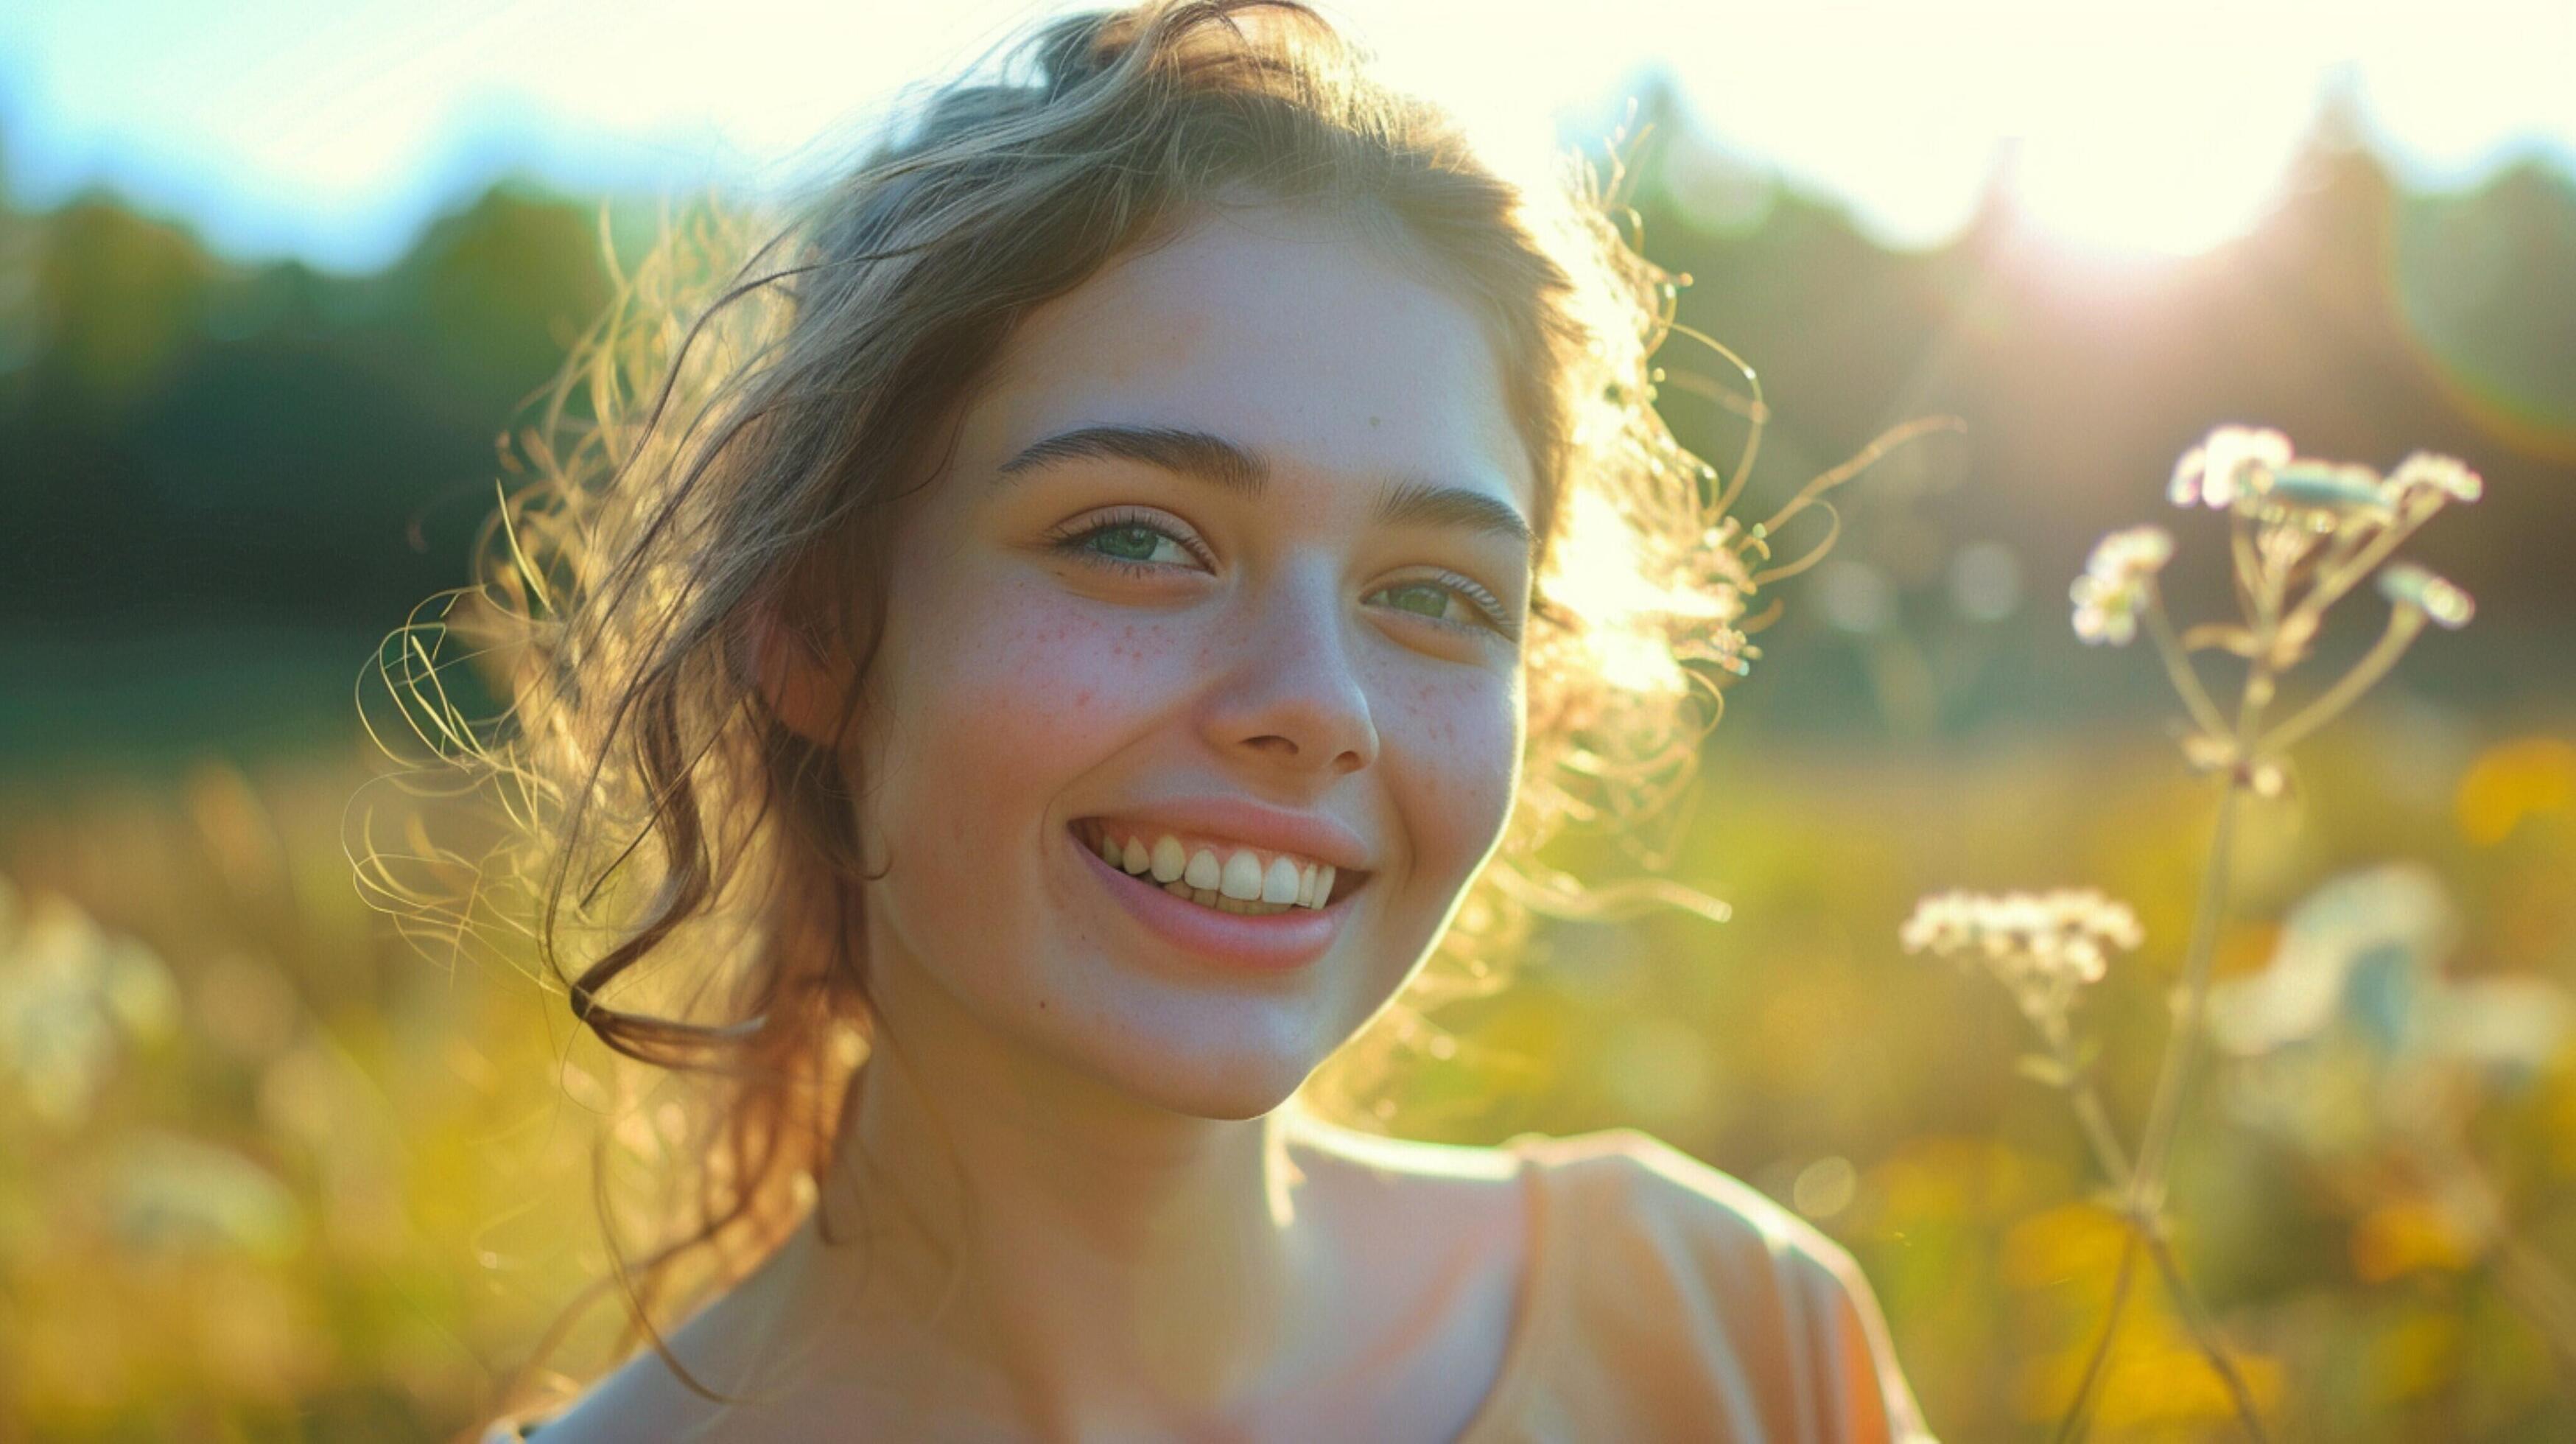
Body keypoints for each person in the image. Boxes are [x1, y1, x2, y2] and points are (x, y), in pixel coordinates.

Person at [437, 1, 1936, 1437]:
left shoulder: (1730, 1339)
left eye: (1438, 592)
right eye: (1139, 539)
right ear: (817, 625)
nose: (1317, 706)